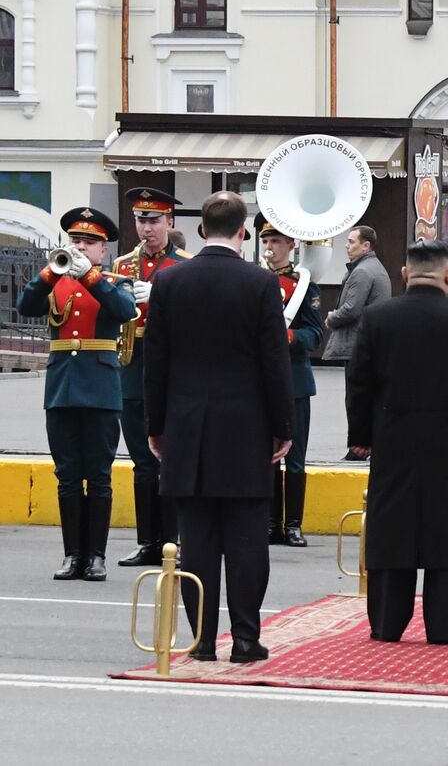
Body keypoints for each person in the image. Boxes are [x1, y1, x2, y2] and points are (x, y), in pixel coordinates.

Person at [144, 191, 294, 664]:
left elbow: (155, 362)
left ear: (202, 229)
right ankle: (246, 639)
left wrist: (156, 425)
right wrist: (283, 426)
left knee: (197, 541)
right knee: (247, 539)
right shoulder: (261, 283)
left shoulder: (169, 281)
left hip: (187, 427)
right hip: (246, 428)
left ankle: (202, 640)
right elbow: (275, 362)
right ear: (243, 231)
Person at [346, 240, 448, 644]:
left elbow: (359, 381)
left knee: (392, 528)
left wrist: (361, 436)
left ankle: (387, 623)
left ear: (404, 274)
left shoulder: (378, 317)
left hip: (393, 437)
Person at [18, 208, 138, 581]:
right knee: (68, 475)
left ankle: (96, 556)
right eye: (76, 240)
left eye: (89, 242)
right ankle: (72, 555)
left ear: (103, 250)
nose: (81, 247)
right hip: (62, 388)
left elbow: (125, 310)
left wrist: (90, 276)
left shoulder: (114, 282)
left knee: (98, 476)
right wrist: (48, 273)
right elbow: (25, 306)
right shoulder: (55, 281)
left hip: (101, 389)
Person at [114, 187, 192, 568]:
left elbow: (195, 318)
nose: (147, 229)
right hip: (133, 365)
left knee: (170, 458)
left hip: (171, 368)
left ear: (169, 221)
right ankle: (147, 541)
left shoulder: (185, 265)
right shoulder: (122, 264)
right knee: (142, 461)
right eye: (141, 221)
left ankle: (172, 542)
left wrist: (158, 295)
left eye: (154, 221)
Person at [255, 213, 325, 547]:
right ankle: (270, 523)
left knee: (295, 455)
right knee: (266, 454)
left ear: (291, 245)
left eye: (276, 241)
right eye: (266, 241)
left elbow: (315, 333)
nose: (270, 247)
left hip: (294, 379)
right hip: (259, 381)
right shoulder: (253, 280)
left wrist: (291, 337)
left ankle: (293, 524)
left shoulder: (303, 285)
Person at [323, 226, 390, 405]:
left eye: (351, 242)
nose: (346, 246)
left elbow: (351, 309)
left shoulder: (362, 271)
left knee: (356, 402)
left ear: (366, 246)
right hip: (369, 344)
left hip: (357, 345)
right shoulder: (375, 267)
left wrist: (332, 318)